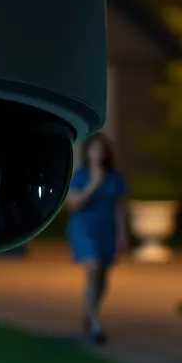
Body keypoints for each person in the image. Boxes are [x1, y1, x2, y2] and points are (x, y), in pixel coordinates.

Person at [64, 133, 128, 343]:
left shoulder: (115, 177)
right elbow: (74, 204)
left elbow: (119, 207)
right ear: (88, 152)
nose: (97, 153)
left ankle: (91, 310)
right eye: (94, 149)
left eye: (101, 149)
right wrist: (93, 184)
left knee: (102, 278)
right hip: (84, 228)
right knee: (93, 268)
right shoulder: (80, 176)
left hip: (107, 229)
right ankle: (95, 324)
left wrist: (122, 234)